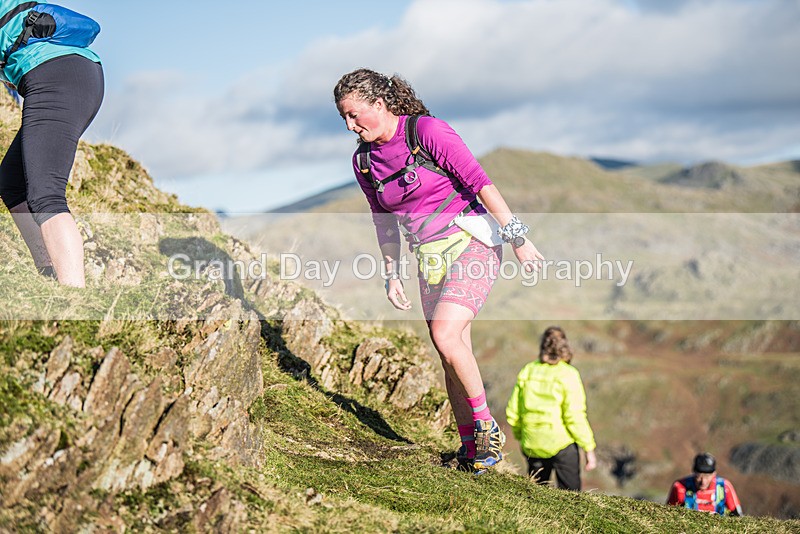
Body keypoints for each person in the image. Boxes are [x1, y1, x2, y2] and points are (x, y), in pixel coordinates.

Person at [333, 68, 544, 472]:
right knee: (448, 352)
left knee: (445, 333)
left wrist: (518, 237)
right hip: (428, 257)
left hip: (472, 240)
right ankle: (473, 453)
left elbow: (481, 183)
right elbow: (384, 221)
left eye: (355, 114)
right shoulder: (363, 162)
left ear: (379, 104)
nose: (350, 125)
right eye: (344, 117)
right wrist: (392, 273)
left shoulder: (427, 131)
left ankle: (487, 428)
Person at [0, 1, 104, 287]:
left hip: (57, 77)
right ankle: (49, 275)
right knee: (10, 183)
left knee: (46, 194)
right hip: (71, 75)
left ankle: (74, 296)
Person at [505, 326, 597, 490]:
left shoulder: (528, 370)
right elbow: (574, 416)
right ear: (565, 346)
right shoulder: (568, 374)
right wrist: (588, 448)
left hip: (531, 442)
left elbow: (513, 412)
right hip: (561, 443)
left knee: (535, 492)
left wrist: (522, 436)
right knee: (572, 497)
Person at [667, 452, 743, 516]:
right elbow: (668, 513)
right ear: (694, 472)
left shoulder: (724, 487)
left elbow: (738, 515)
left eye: (707, 476)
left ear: (714, 474)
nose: (703, 481)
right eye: (699, 476)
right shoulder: (679, 487)